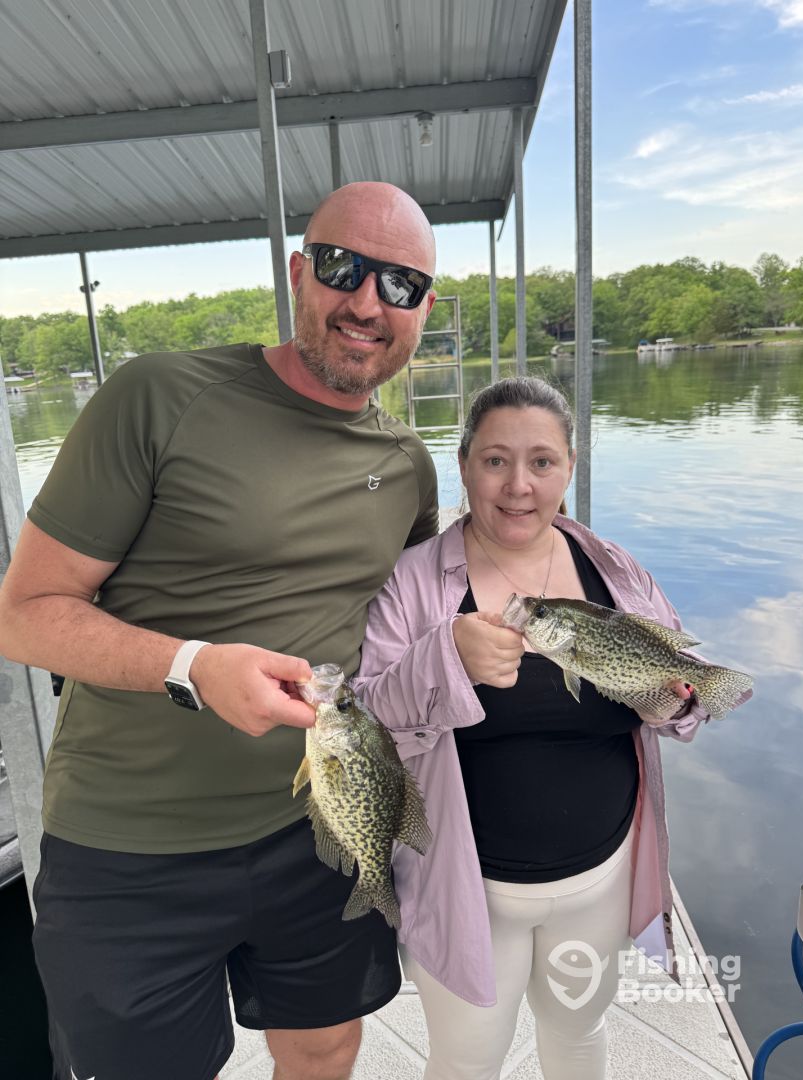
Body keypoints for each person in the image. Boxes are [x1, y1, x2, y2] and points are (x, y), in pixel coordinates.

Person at [0, 181, 439, 1080]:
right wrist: (193, 666)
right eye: (343, 267)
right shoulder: (159, 395)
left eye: (400, 284)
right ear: (298, 273)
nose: (367, 302)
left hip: (321, 827)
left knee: (325, 1047)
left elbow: (422, 619)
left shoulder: (408, 466)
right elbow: (24, 614)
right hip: (128, 846)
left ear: (424, 309)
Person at [352, 376, 752, 1080]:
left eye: (542, 461)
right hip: (468, 887)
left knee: (578, 1034)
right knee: (466, 1061)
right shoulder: (414, 582)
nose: (518, 486)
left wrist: (673, 703)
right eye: (495, 460)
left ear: (570, 467)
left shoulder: (613, 570)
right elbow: (365, 724)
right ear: (464, 465)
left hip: (600, 877)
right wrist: (445, 657)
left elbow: (682, 696)